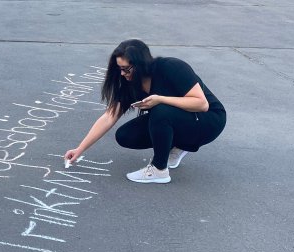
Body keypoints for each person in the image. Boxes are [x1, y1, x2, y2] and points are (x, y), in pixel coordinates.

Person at [64, 39, 226, 183]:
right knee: (125, 135)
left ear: (141, 64)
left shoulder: (172, 67)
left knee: (161, 111)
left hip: (209, 121)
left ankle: (159, 170)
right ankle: (178, 145)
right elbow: (109, 116)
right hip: (179, 119)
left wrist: (160, 98)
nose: (122, 73)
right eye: (119, 68)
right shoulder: (129, 82)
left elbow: (202, 104)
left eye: (126, 69)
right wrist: (80, 149)